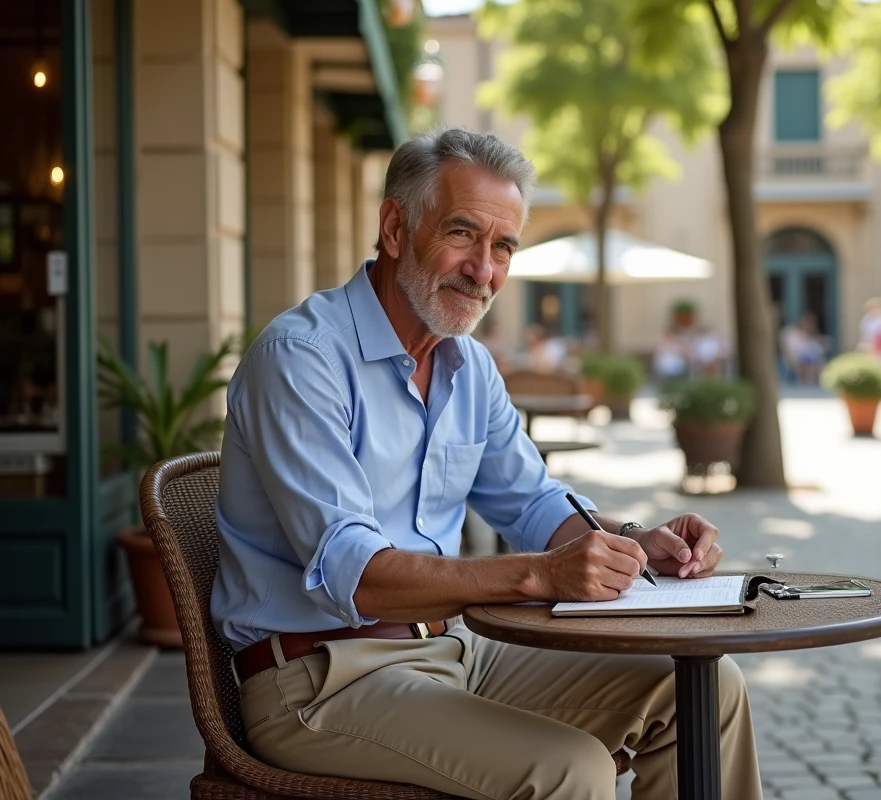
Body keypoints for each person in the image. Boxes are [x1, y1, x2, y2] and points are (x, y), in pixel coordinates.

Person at [211, 128, 762, 800]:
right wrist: (540, 574)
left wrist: (634, 546)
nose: (484, 270)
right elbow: (356, 577)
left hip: (451, 652)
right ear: (394, 227)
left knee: (706, 689)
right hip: (321, 681)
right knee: (571, 768)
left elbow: (531, 503)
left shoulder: (466, 364)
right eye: (463, 234)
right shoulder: (301, 357)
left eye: (503, 247)